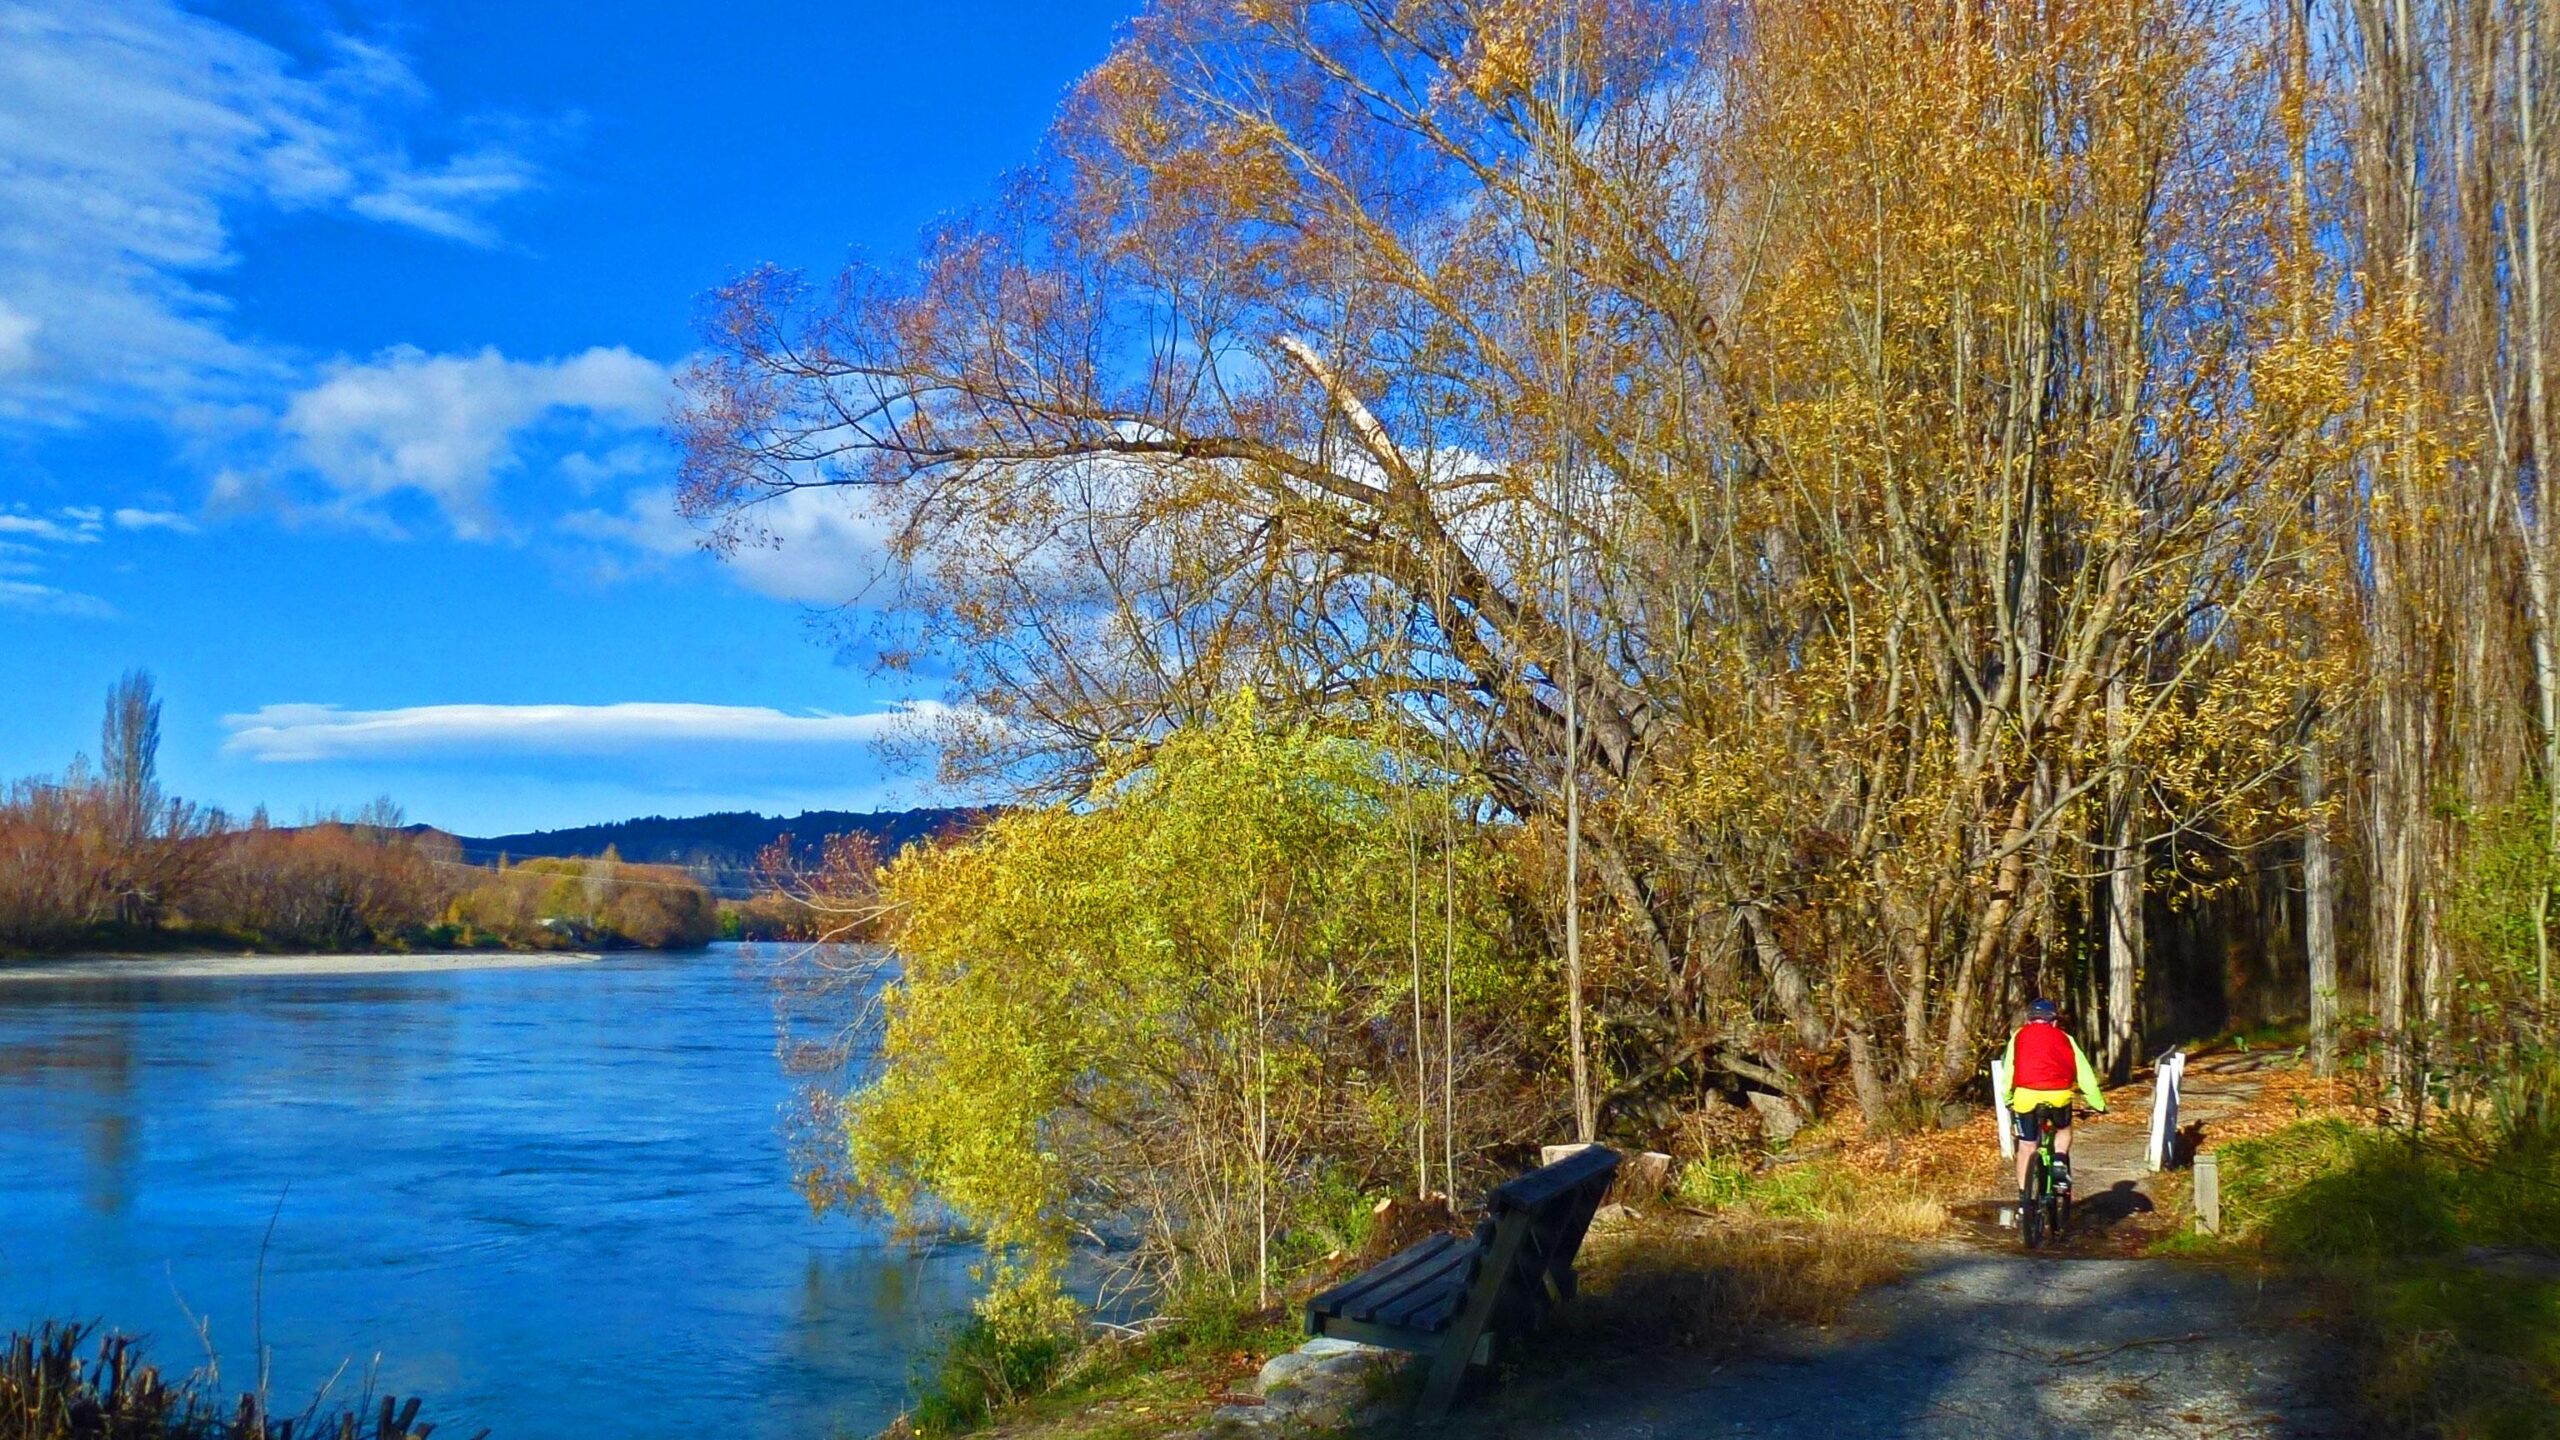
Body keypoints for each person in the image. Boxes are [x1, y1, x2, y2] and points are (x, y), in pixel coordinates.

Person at [2004, 998, 2106, 1198]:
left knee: (2026, 1145)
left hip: (2025, 1095)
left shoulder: (2018, 1036)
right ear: (2054, 1021)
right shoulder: (2066, 1038)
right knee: (2063, 1130)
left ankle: (2025, 1200)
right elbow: (2084, 1073)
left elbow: (2009, 1071)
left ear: (2029, 1020)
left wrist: (2008, 1098)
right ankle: (2059, 1159)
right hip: (2058, 1094)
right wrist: (2097, 1103)